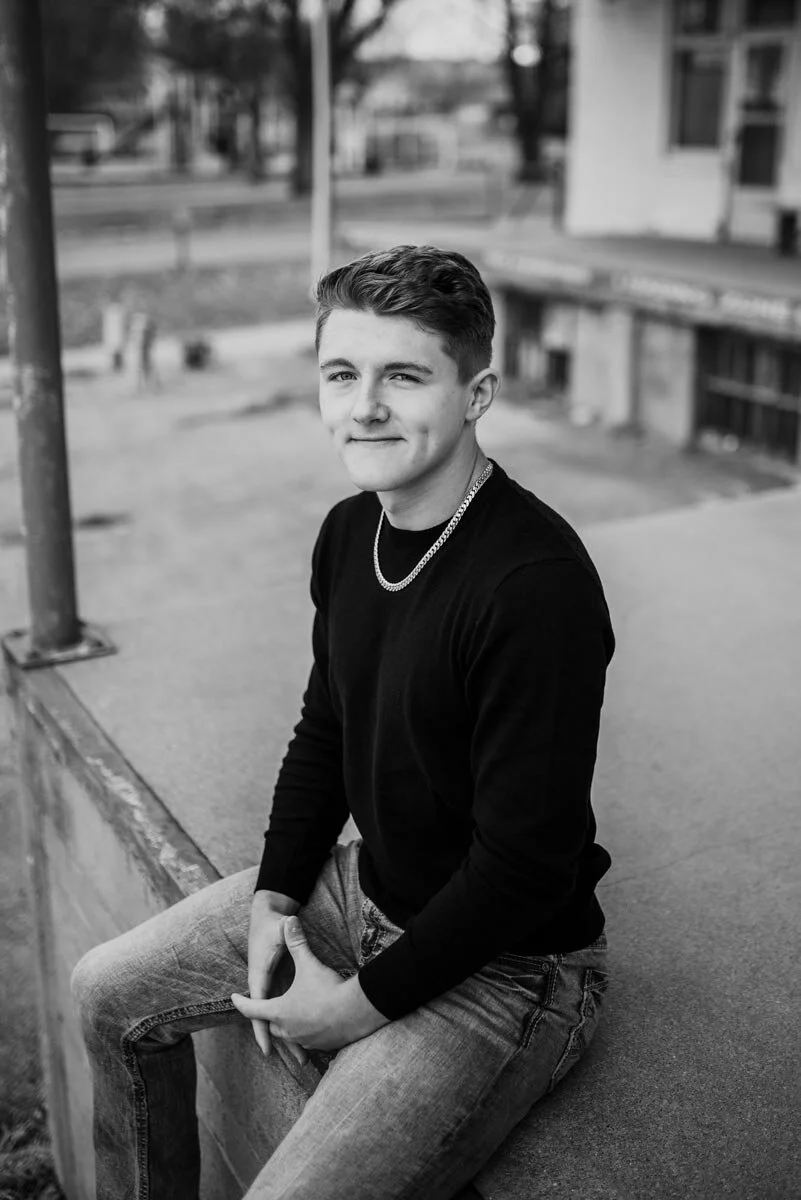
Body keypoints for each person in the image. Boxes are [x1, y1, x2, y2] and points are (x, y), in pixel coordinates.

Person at [71, 245, 615, 1200]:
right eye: (340, 374)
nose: (363, 407)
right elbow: (327, 722)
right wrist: (275, 896)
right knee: (104, 991)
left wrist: (357, 1007)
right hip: (361, 889)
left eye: (402, 376)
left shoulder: (535, 587)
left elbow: (526, 868)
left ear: (476, 394)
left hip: (510, 972)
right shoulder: (349, 530)